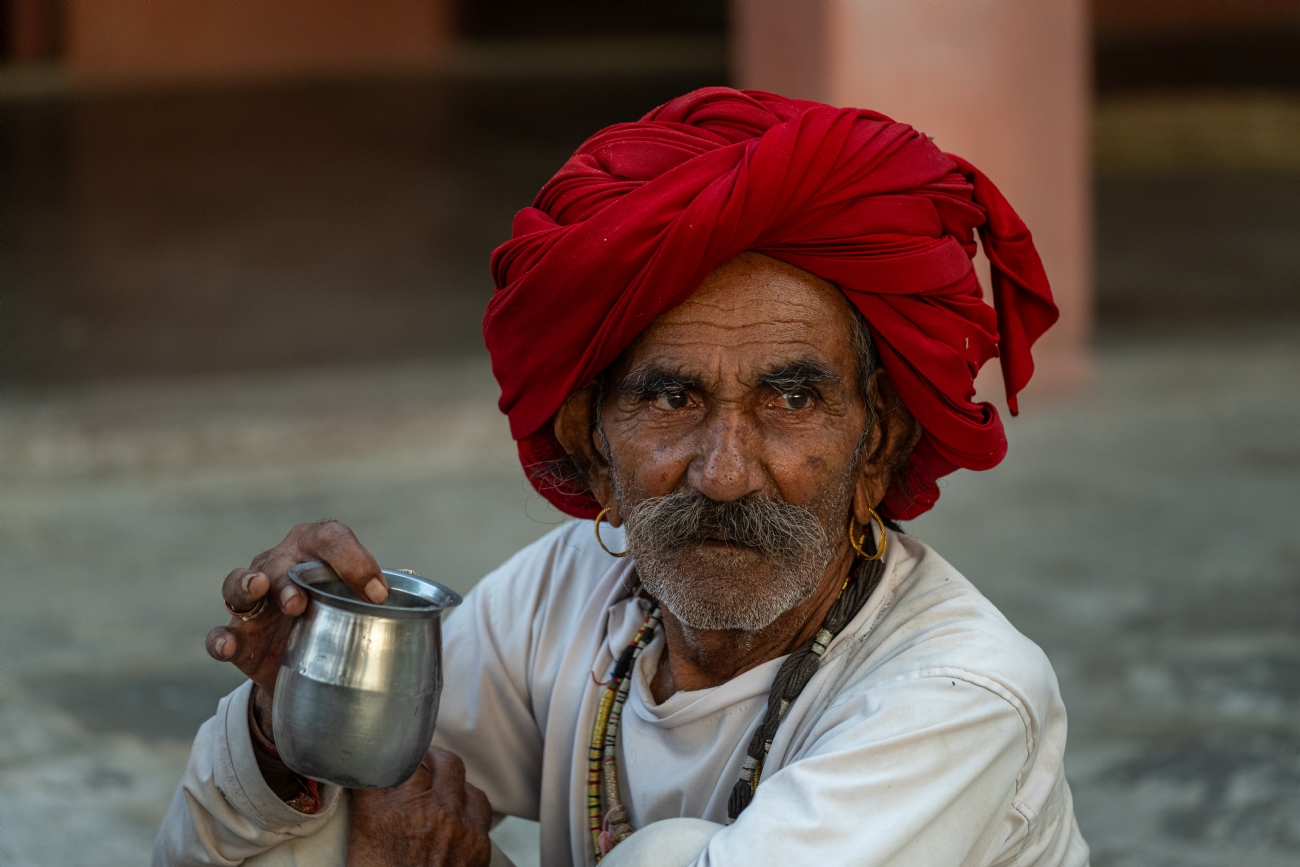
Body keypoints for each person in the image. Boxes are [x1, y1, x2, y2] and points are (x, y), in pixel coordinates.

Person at [154, 88, 1089, 867]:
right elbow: (310, 830)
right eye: (672, 399)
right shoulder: (568, 597)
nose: (723, 474)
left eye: (791, 400)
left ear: (875, 443)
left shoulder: (958, 698)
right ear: (591, 442)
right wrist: (294, 729)